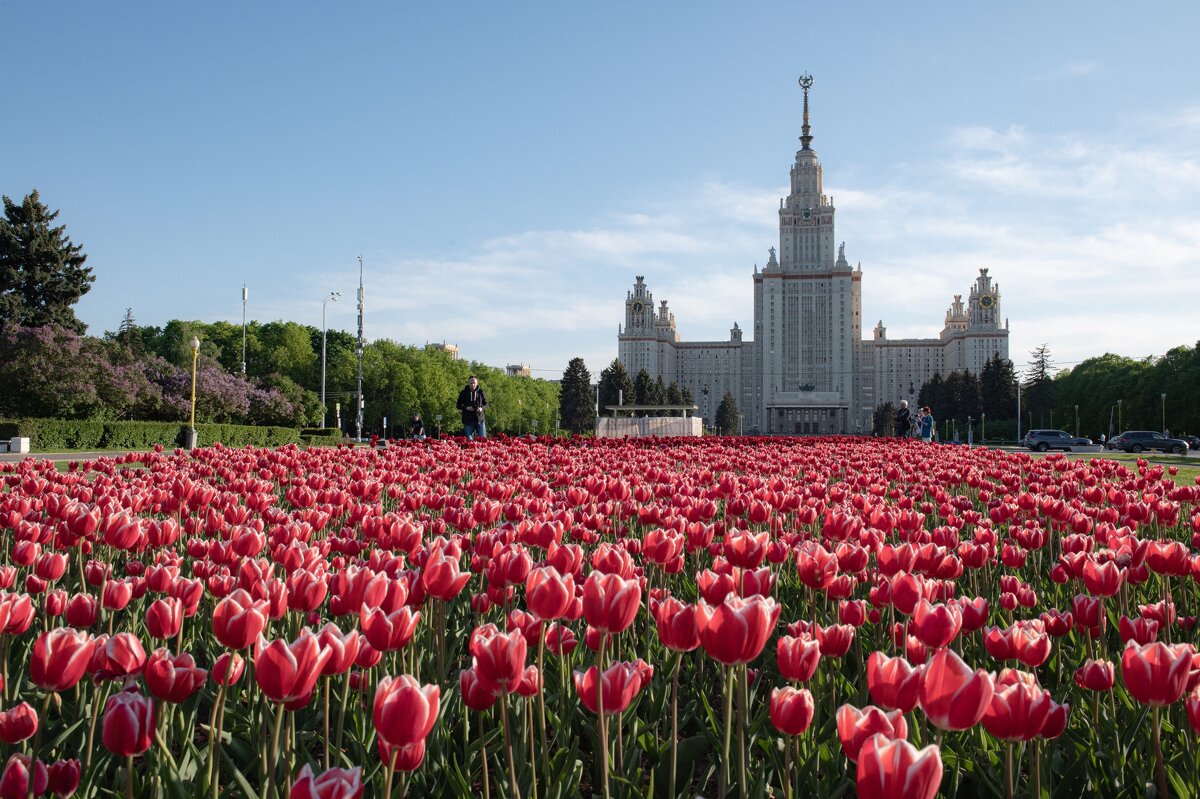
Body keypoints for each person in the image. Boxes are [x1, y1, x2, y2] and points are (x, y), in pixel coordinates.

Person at [456, 375, 489, 440]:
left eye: (474, 383)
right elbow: (458, 405)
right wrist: (466, 408)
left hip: (479, 419)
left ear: (477, 383)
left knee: (483, 440)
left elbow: (487, 404)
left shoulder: (481, 392)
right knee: (469, 441)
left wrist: (481, 408)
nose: (473, 385)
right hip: (468, 419)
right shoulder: (463, 393)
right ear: (468, 383)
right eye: (471, 383)